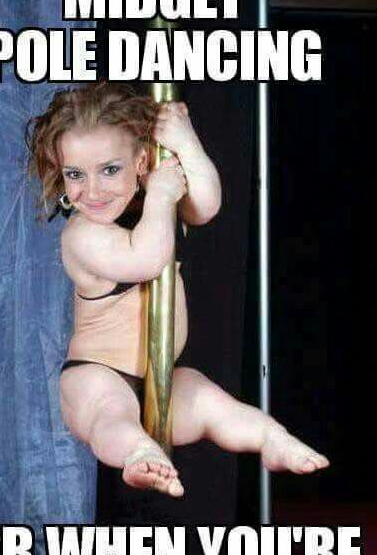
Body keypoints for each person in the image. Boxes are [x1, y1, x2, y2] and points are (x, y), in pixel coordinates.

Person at [26, 82, 329, 498]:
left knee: (210, 402)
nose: (92, 191)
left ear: (141, 161)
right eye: (75, 174)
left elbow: (205, 205)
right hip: (97, 375)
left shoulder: (153, 205)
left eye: (109, 170)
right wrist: (160, 196)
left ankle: (271, 438)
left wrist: (187, 146)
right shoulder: (82, 235)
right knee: (110, 415)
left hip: (160, 378)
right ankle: (137, 454)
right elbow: (146, 259)